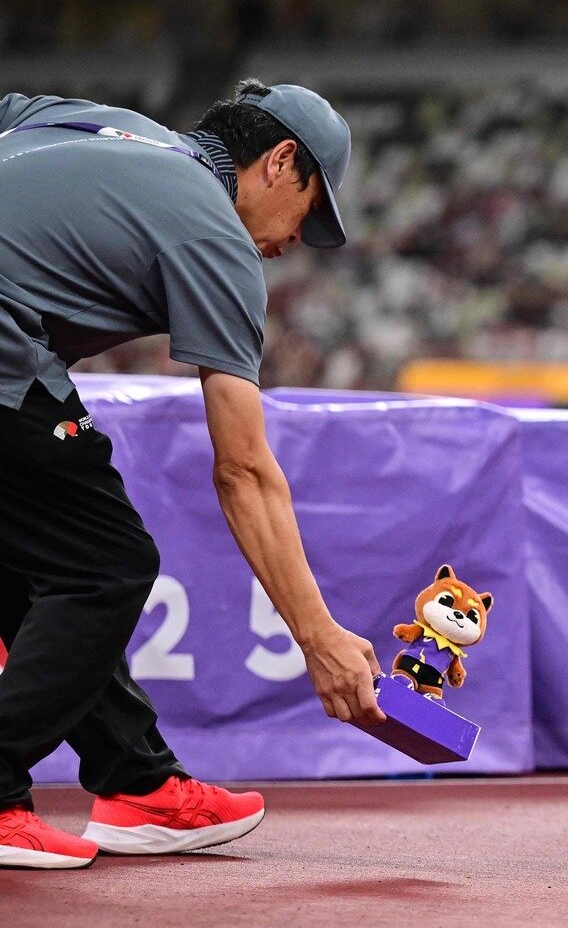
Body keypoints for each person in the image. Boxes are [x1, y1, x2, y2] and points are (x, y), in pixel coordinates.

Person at [0, 79, 385, 870]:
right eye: (311, 211)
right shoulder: (214, 235)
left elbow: (12, 114)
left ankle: (138, 782)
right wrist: (319, 639)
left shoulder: (111, 126)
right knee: (106, 565)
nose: (295, 242)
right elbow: (243, 469)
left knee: (41, 560)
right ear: (281, 161)